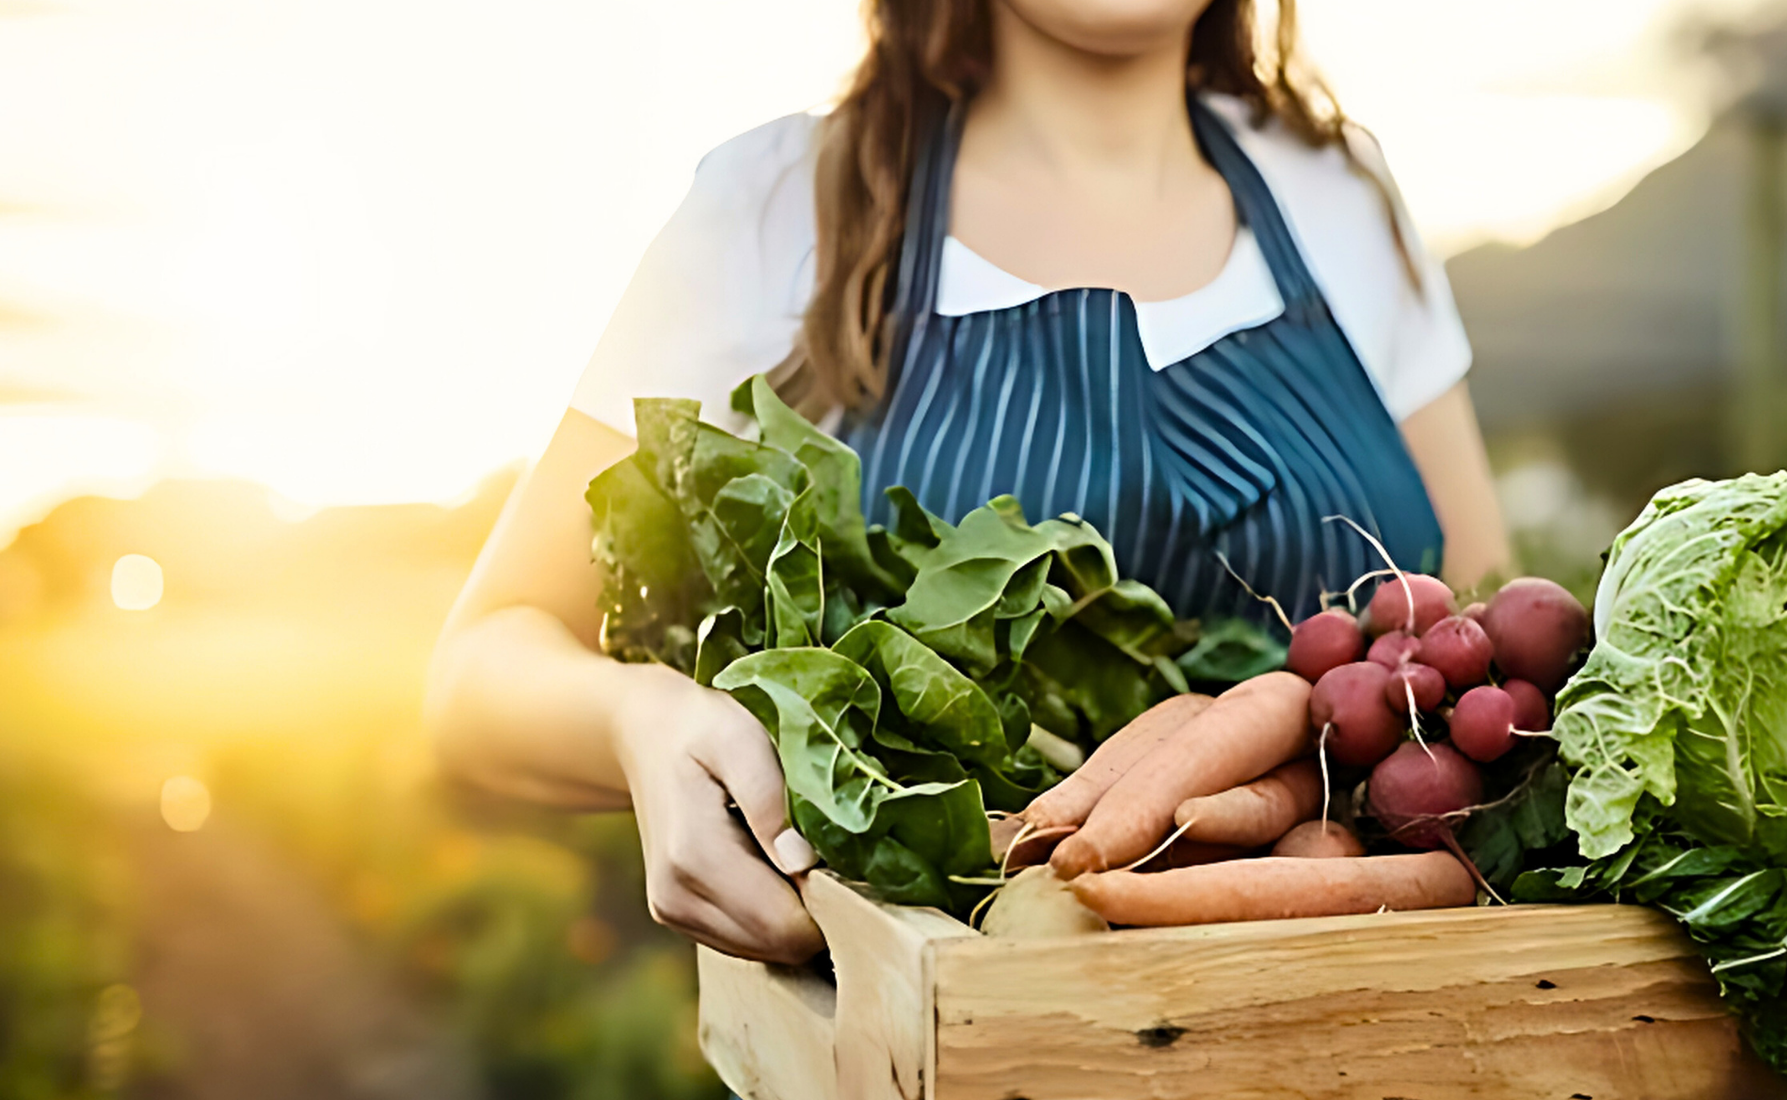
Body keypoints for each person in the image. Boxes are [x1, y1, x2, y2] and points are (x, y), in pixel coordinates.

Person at [426, 0, 1510, 967]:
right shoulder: (777, 208)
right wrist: (643, 720)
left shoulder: (1341, 195)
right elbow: (477, 673)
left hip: (1374, 1022)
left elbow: (1481, 625)